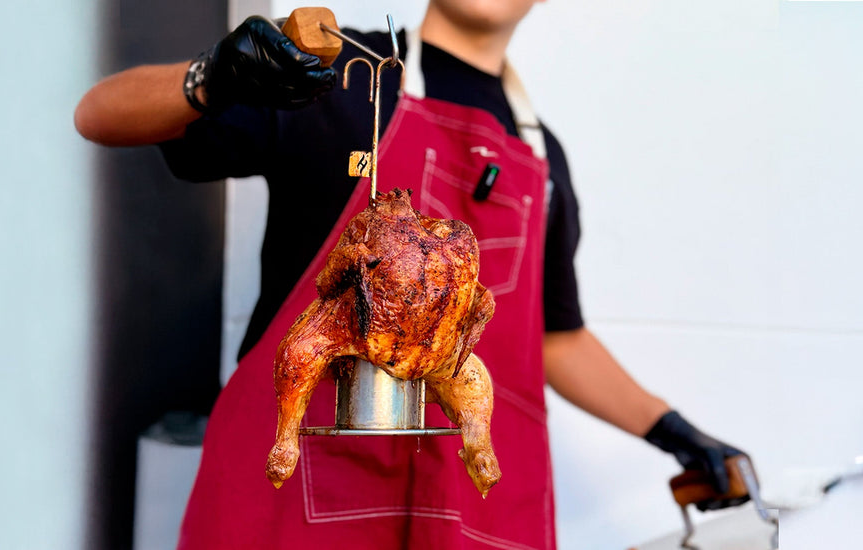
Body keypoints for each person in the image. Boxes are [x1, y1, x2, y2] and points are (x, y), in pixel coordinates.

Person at [75, 1, 749, 548]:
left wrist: (672, 430)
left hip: (465, 514)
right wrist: (214, 75)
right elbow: (99, 114)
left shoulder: (544, 158)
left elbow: (555, 338)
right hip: (295, 504)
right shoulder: (335, 78)